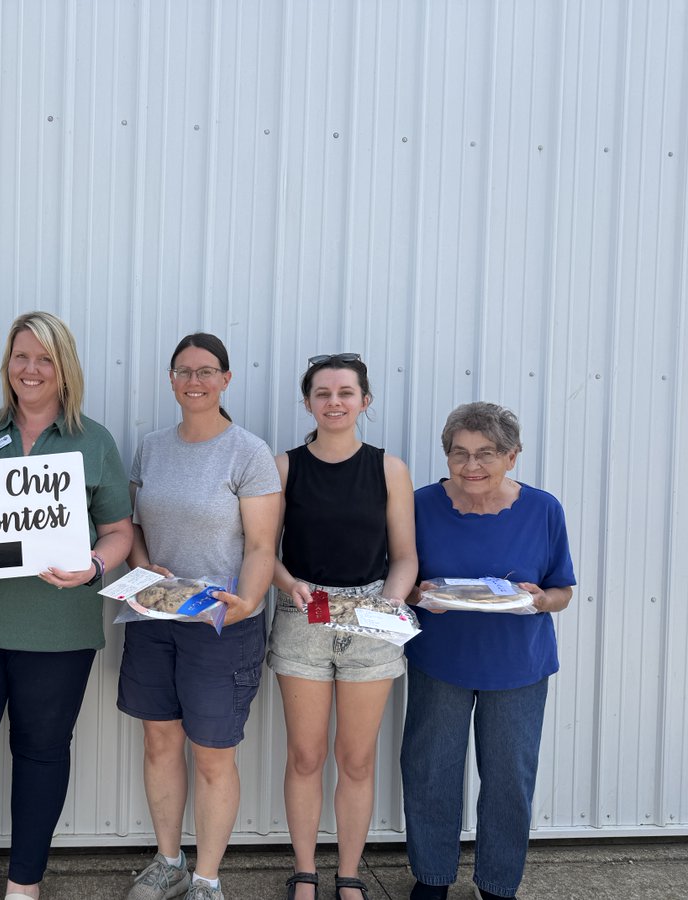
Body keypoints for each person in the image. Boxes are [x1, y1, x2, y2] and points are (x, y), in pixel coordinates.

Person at [0, 311, 133, 900]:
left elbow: (119, 529)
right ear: (6, 365)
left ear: (64, 369)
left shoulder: (95, 440)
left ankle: (24, 883)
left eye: (45, 358)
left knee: (40, 754)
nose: (31, 369)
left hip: (58, 631)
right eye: (21, 357)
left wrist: (94, 564)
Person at [119, 333, 281, 900]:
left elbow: (262, 544)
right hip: (153, 620)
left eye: (207, 371)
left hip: (220, 626)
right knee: (160, 744)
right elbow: (133, 526)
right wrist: (143, 569)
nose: (195, 381)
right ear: (171, 379)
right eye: (184, 371)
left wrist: (250, 602)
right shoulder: (151, 448)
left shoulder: (248, 452)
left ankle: (207, 878)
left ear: (226, 380)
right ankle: (168, 861)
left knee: (214, 754)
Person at [401, 402, 575, 900]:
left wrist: (540, 600)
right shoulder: (420, 505)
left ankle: (498, 884)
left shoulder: (544, 509)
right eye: (460, 454)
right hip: (441, 659)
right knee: (430, 769)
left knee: (508, 780)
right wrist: (419, 595)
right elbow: (402, 580)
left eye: (486, 454)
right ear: (447, 455)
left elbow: (561, 590)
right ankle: (431, 878)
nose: (471, 466)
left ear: (512, 457)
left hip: (519, 664)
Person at [266, 353, 418, 900]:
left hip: (372, 613)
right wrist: (287, 584)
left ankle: (349, 874)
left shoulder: (388, 468)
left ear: (364, 402)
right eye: (323, 393)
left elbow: (405, 556)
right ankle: (305, 872)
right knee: (305, 756)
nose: (334, 402)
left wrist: (388, 604)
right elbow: (264, 550)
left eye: (346, 393)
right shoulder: (284, 467)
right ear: (308, 402)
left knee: (356, 758)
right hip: (303, 615)